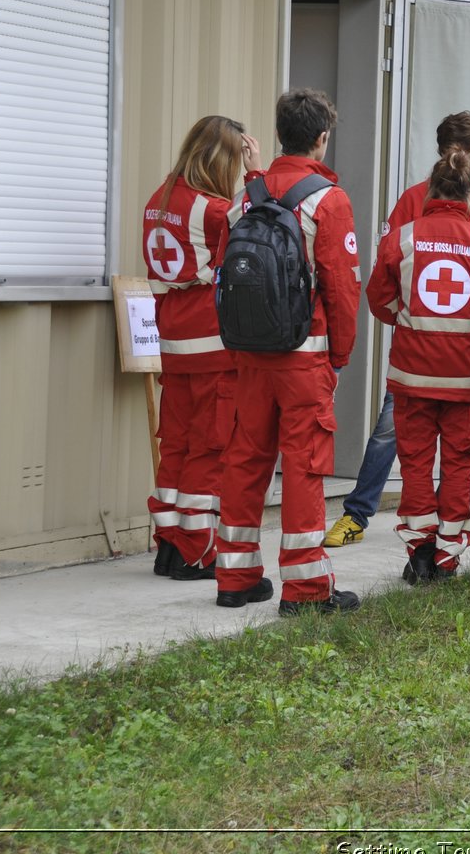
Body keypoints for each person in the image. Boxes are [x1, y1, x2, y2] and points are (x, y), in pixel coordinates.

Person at [324, 111, 470, 549]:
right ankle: (358, 514)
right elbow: (385, 277)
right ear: (442, 153)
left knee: (457, 436)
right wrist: (402, 318)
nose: (469, 165)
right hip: (421, 337)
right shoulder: (410, 202)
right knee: (395, 428)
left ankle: (453, 520)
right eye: (461, 155)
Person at [215, 88, 362, 615]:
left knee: (245, 459)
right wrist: (339, 358)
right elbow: (343, 290)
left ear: (280, 135)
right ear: (322, 138)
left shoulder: (244, 199)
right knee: (303, 466)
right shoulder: (328, 200)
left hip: (250, 355)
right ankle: (304, 589)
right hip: (305, 355)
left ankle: (235, 577)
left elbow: (224, 276)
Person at [366, 146, 470, 586]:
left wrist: (409, 320)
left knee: (414, 463)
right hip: (465, 376)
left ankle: (420, 553)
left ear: (430, 190)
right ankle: (448, 557)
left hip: (411, 373)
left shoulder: (404, 237)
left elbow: (378, 299)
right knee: (458, 464)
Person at [143, 116, 254, 581]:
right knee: (211, 450)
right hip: (211, 345)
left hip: (172, 342)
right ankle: (197, 553)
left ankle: (168, 545)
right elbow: (259, 225)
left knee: (177, 447)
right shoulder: (212, 211)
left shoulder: (158, 201)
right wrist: (256, 175)